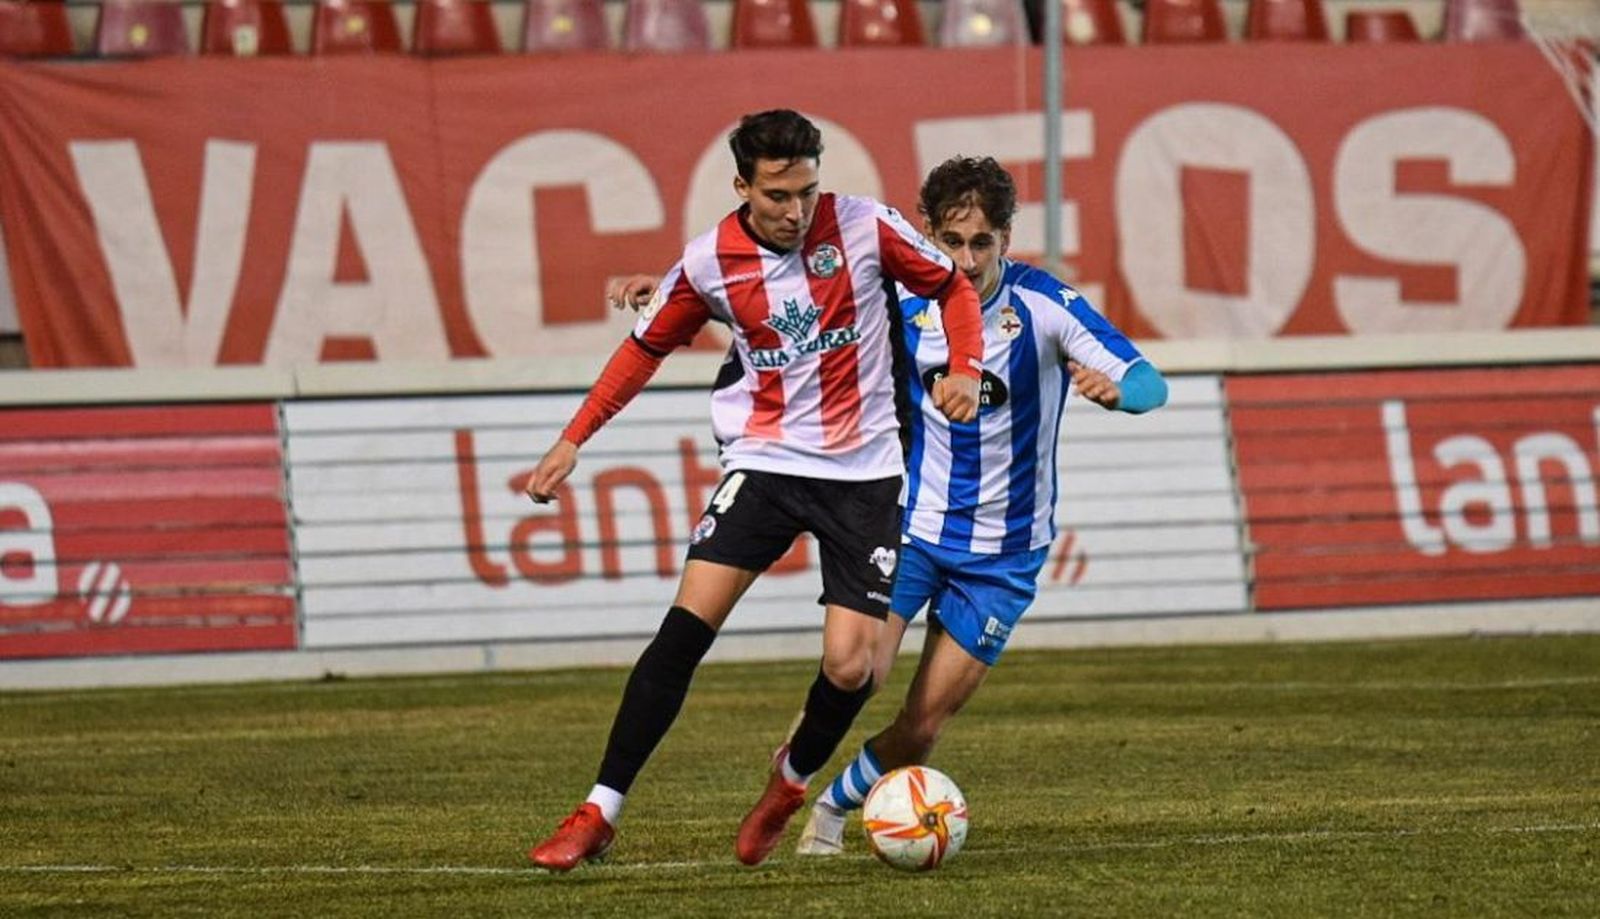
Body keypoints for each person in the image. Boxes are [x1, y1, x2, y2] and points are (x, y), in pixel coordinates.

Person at [523, 109, 986, 872]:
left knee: (852, 668)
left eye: (807, 190)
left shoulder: (866, 226)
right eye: (777, 194)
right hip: (765, 460)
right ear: (742, 186)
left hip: (865, 473)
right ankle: (599, 810)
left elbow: (952, 289)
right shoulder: (710, 261)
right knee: (684, 629)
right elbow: (642, 349)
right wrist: (573, 438)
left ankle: (790, 778)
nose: (796, 210)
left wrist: (965, 366)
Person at [789, 156, 1169, 855]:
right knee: (857, 674)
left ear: (1006, 239)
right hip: (911, 529)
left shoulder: (1044, 306)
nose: (966, 261)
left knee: (922, 728)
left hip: (1004, 554)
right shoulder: (899, 296)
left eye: (982, 243)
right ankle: (787, 778)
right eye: (952, 242)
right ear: (929, 235)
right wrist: (674, 292)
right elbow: (783, 299)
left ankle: (834, 807)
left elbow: (1151, 381)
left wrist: (1121, 394)